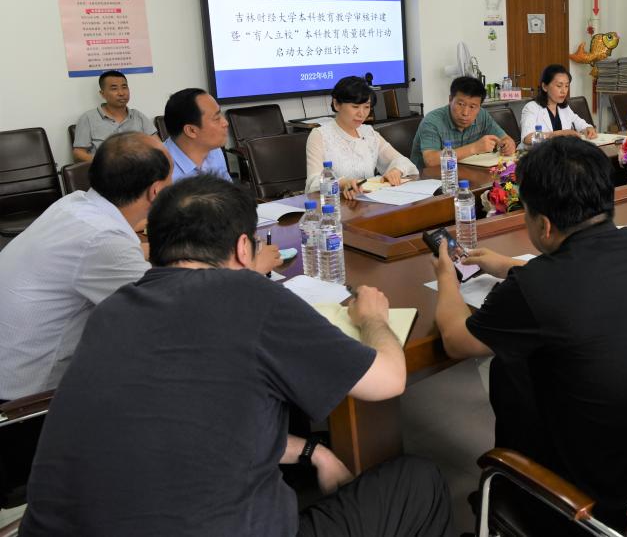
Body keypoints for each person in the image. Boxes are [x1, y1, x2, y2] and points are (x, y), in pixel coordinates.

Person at [19, 174, 454, 537]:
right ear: (245, 249)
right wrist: (373, 319)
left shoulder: (112, 310)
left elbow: (182, 417)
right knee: (418, 481)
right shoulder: (249, 294)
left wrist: (311, 451)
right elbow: (388, 380)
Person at [432, 136, 627, 530]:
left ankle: (516, 489)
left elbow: (456, 340)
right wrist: (509, 266)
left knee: (510, 366)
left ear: (543, 224)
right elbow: (582, 278)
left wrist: (445, 276)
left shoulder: (538, 286)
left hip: (608, 504)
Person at [0, 132, 172, 402]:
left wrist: (169, 249)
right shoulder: (104, 239)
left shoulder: (74, 204)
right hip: (26, 400)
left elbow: (98, 258)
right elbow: (166, 315)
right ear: (156, 190)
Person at [304, 76, 418, 198]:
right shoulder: (320, 135)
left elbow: (402, 161)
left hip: (368, 202)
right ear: (336, 104)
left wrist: (396, 171)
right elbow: (314, 182)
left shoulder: (368, 133)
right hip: (335, 204)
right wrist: (343, 183)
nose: (362, 113)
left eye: (366, 107)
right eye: (355, 107)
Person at [409, 76, 516, 168]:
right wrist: (474, 148)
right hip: (427, 179)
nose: (465, 113)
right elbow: (431, 161)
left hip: (463, 174)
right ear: (450, 100)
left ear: (480, 106)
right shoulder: (432, 121)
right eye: (460, 104)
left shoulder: (482, 115)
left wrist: (508, 145)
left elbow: (506, 139)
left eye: (472, 106)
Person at [72, 70, 157, 162]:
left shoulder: (138, 116)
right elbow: (78, 153)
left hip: (138, 167)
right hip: (105, 169)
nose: (121, 93)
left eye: (124, 87)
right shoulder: (88, 118)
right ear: (102, 94)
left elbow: (157, 144)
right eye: (114, 88)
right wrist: (106, 163)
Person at [162, 87, 231, 182]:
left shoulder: (213, 149)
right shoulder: (158, 170)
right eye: (216, 118)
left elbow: (227, 188)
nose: (225, 123)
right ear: (191, 131)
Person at [518, 64, 597, 146]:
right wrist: (558, 134)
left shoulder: (564, 108)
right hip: (535, 153)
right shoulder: (531, 108)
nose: (564, 91)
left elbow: (581, 124)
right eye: (559, 86)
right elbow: (527, 138)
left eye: (566, 86)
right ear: (544, 87)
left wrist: (588, 128)